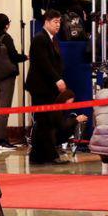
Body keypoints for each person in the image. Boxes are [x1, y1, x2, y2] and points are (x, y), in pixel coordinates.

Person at [25, 10, 67, 164]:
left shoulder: (51, 39)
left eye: (59, 22)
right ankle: (51, 155)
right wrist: (57, 79)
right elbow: (44, 63)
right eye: (55, 21)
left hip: (47, 86)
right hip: (40, 87)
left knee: (44, 121)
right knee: (44, 121)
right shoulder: (40, 38)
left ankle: (37, 156)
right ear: (47, 21)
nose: (58, 25)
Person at [0, 13, 28, 149]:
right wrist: (26, 57)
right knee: (4, 108)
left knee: (1, 106)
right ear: (6, 25)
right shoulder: (6, 37)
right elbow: (14, 56)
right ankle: (1, 140)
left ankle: (1, 138)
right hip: (7, 76)